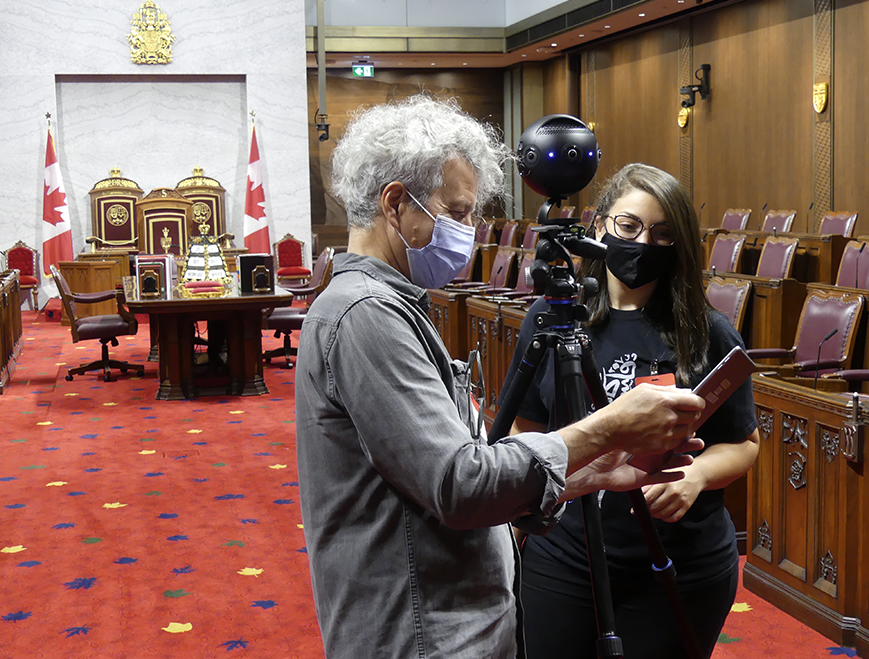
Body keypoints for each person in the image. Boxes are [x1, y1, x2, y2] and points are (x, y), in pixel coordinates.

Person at [295, 97, 708, 659]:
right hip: (421, 631)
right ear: (396, 204)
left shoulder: (392, 303)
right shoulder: (365, 314)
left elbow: (453, 474)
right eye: (459, 212)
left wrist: (587, 472)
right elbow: (460, 485)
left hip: (447, 618)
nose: (469, 229)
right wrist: (606, 428)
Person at [501, 163, 760, 659]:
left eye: (663, 234)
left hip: (677, 562)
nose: (643, 244)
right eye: (629, 227)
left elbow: (744, 444)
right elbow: (526, 429)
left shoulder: (707, 331)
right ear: (600, 226)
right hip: (566, 550)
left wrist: (697, 476)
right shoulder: (552, 320)